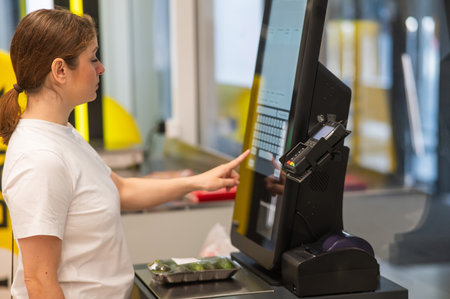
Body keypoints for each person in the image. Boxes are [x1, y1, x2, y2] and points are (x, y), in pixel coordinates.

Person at [0, 8, 249, 299]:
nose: (101, 67)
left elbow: (122, 189)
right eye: (92, 58)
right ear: (60, 71)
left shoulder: (62, 134)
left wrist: (198, 182)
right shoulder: (40, 159)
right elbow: (40, 284)